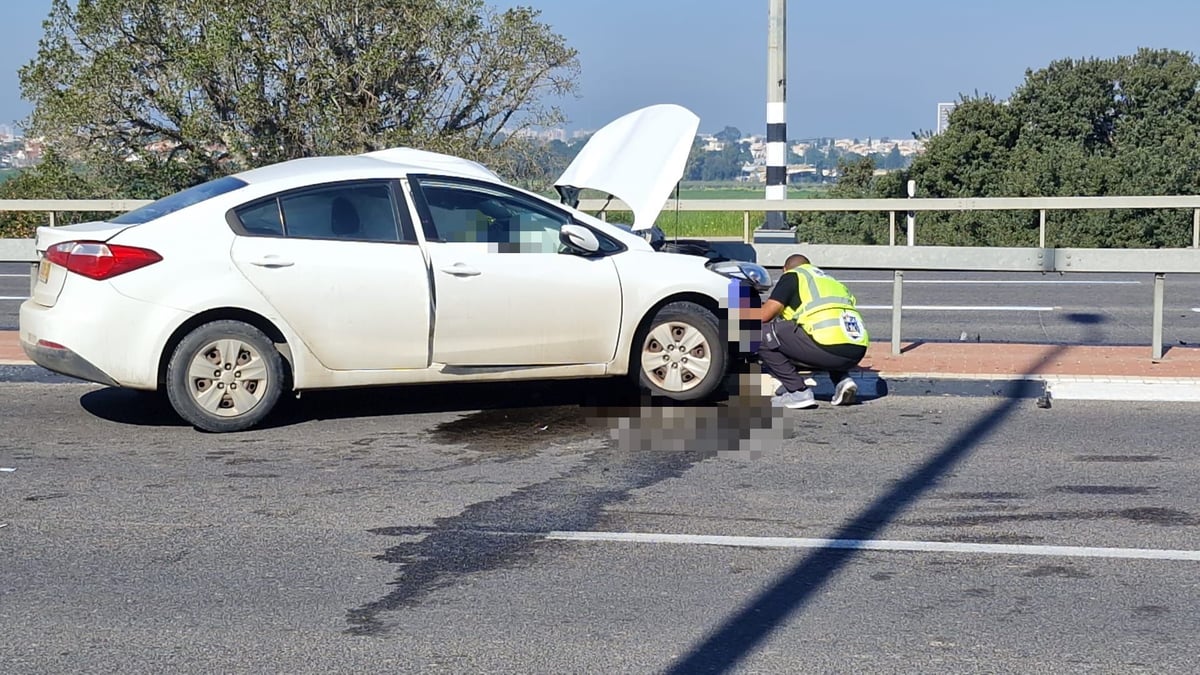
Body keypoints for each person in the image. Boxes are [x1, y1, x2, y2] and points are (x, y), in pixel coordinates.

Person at [757, 253, 869, 408]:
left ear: (785, 269)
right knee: (820, 337)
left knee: (758, 334)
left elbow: (764, 315)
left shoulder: (792, 276)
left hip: (826, 347)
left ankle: (798, 392)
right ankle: (843, 381)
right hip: (856, 350)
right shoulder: (831, 281)